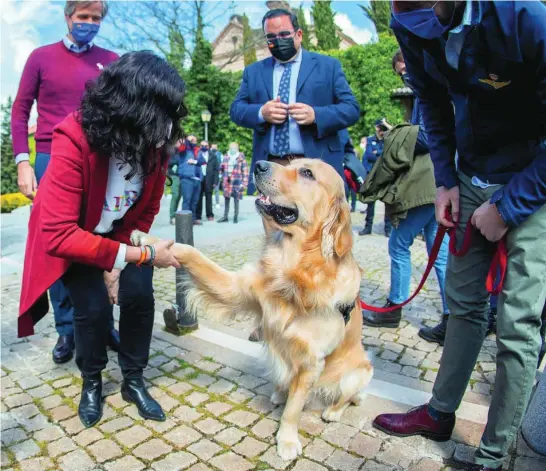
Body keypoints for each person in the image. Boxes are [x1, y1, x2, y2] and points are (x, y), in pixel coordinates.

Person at [374, 2, 546, 470]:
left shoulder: (526, 17)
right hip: (470, 174)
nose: (414, 18)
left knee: (517, 323)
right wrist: (446, 180)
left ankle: (493, 455)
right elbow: (430, 99)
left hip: (532, 177)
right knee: (464, 303)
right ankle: (439, 412)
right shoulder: (406, 16)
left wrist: (509, 208)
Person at [18, 51, 185, 428]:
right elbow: (60, 235)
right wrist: (133, 255)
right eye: (161, 112)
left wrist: (120, 259)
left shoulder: (155, 145)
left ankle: (133, 378)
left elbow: (144, 211)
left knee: (140, 297)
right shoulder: (73, 136)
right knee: (92, 310)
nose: (168, 127)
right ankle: (92, 381)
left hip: (119, 236)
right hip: (76, 237)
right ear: (131, 107)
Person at [11, 0, 120, 365]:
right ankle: (67, 328)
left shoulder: (111, 59)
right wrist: (23, 162)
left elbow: (123, 108)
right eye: (82, 17)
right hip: (51, 158)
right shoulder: (41, 57)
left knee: (100, 238)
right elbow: (20, 111)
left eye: (95, 18)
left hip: (99, 159)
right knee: (57, 242)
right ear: (67, 16)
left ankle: (103, 322)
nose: (89, 23)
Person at [230, 7, 360, 196]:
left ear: (299, 35)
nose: (278, 41)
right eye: (271, 37)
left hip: (315, 166)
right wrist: (261, 113)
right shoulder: (254, 71)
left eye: (284, 34)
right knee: (275, 225)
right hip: (273, 166)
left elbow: (351, 108)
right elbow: (236, 109)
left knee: (317, 225)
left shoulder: (328, 66)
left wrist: (317, 115)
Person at [359, 118, 393, 237]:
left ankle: (388, 229)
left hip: (385, 175)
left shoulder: (388, 140)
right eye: (380, 128)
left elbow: (387, 155)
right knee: (370, 203)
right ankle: (368, 227)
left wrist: (376, 153)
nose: (381, 131)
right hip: (372, 175)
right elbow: (367, 156)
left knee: (388, 203)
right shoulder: (370, 140)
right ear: (376, 128)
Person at [177, 135, 205, 225]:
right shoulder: (184, 150)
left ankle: (193, 219)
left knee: (195, 201)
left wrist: (194, 161)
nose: (194, 142)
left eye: (195, 140)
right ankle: (185, 221)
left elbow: (203, 161)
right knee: (187, 200)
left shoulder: (197, 150)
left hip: (197, 179)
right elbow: (181, 146)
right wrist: (187, 140)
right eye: (192, 140)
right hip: (187, 178)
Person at [218, 143, 248, 224]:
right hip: (227, 181)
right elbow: (221, 167)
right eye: (231, 148)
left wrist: (244, 183)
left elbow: (245, 171)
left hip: (237, 181)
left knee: (236, 199)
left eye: (234, 148)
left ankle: (235, 216)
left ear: (237, 149)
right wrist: (220, 175)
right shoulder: (225, 157)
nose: (233, 149)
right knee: (226, 199)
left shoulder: (241, 158)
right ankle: (225, 216)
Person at [195, 141, 220, 223]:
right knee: (198, 197)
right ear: (200, 146)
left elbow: (217, 169)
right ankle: (198, 215)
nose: (204, 147)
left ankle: (209, 214)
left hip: (209, 179)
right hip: (199, 178)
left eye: (206, 146)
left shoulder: (213, 156)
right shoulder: (197, 154)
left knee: (209, 197)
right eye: (202, 145)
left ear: (208, 147)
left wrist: (215, 181)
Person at [167, 147, 181, 225]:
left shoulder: (183, 151)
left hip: (182, 175)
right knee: (175, 195)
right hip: (173, 175)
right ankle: (172, 216)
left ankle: (175, 215)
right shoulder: (172, 151)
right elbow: (168, 162)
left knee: (179, 196)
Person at [210, 144, 223, 209]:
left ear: (217, 148)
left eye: (215, 147)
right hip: (209, 175)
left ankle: (217, 203)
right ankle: (210, 203)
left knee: (216, 190)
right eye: (213, 147)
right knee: (209, 190)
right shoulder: (208, 153)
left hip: (218, 174)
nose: (214, 148)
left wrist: (221, 174)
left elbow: (222, 164)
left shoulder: (220, 154)